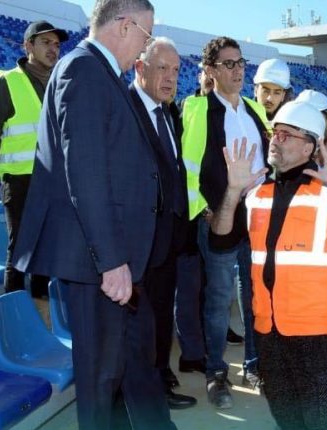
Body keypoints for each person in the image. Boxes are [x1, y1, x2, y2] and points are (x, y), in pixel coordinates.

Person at [11, 1, 175, 429]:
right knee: (101, 379)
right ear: (125, 25)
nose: (145, 47)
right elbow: (85, 173)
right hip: (97, 262)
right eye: (146, 35)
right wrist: (111, 260)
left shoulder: (100, 73)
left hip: (113, 258)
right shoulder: (83, 71)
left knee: (123, 368)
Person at [210, 101, 327, 430]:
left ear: (308, 147)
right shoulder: (256, 194)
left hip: (317, 338)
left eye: (286, 135)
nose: (275, 140)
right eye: (274, 133)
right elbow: (219, 241)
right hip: (268, 335)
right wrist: (232, 191)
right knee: (287, 421)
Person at [181, 35, 271, 407]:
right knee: (218, 300)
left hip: (256, 221)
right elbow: (187, 168)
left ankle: (253, 364)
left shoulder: (255, 109)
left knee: (254, 297)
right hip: (219, 218)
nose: (237, 70)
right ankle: (216, 372)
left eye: (240, 63)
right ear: (211, 71)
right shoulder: (197, 108)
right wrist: (206, 211)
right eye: (228, 64)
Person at [128, 36, 196, 410]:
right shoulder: (125, 108)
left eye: (176, 70)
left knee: (160, 313)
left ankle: (159, 379)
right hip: (138, 244)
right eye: (162, 69)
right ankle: (147, 390)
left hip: (167, 239)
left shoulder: (167, 112)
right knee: (141, 322)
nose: (171, 78)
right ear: (140, 68)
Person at [0, 20, 68, 297]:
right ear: (28, 46)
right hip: (20, 180)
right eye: (45, 43)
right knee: (19, 250)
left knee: (46, 249)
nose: (53, 49)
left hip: (52, 180)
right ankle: (13, 313)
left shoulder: (60, 85)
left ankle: (41, 306)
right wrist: (6, 173)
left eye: (56, 44)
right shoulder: (7, 83)